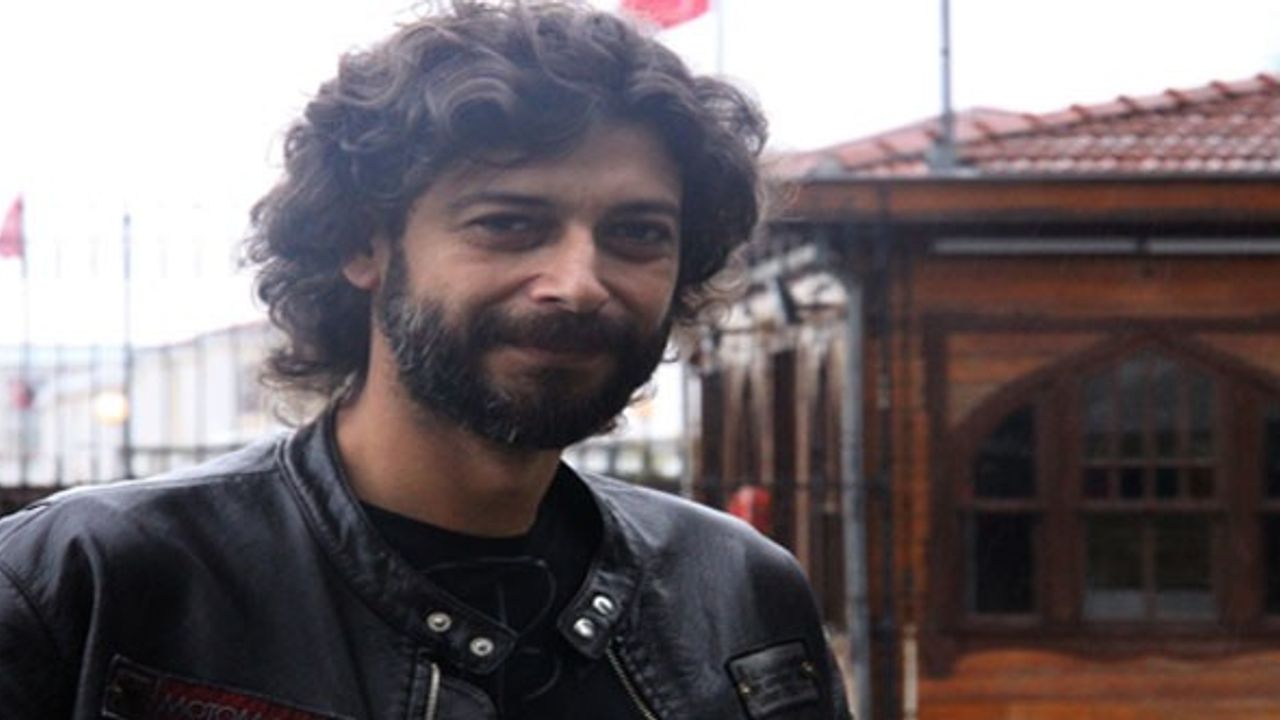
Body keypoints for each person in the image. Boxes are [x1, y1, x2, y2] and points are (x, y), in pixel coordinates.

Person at [0, 2, 852, 718]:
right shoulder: (82, 585)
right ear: (362, 245)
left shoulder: (740, 593)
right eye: (508, 224)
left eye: (637, 233)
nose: (578, 283)